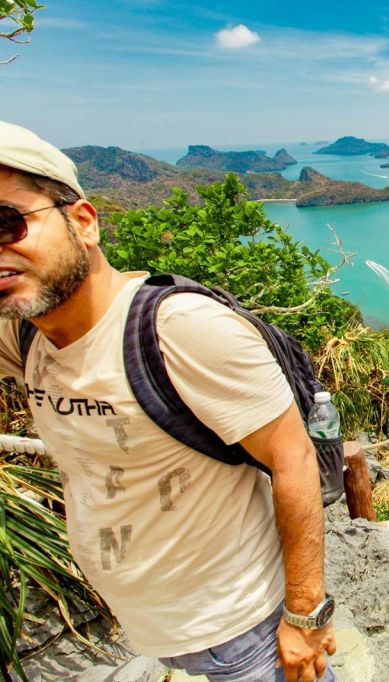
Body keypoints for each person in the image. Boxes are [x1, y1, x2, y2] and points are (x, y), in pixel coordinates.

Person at [0, 122, 336, 681]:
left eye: (6, 223)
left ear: (83, 221)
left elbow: (293, 457)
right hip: (149, 624)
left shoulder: (180, 331)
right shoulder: (24, 334)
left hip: (245, 629)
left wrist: (305, 615)